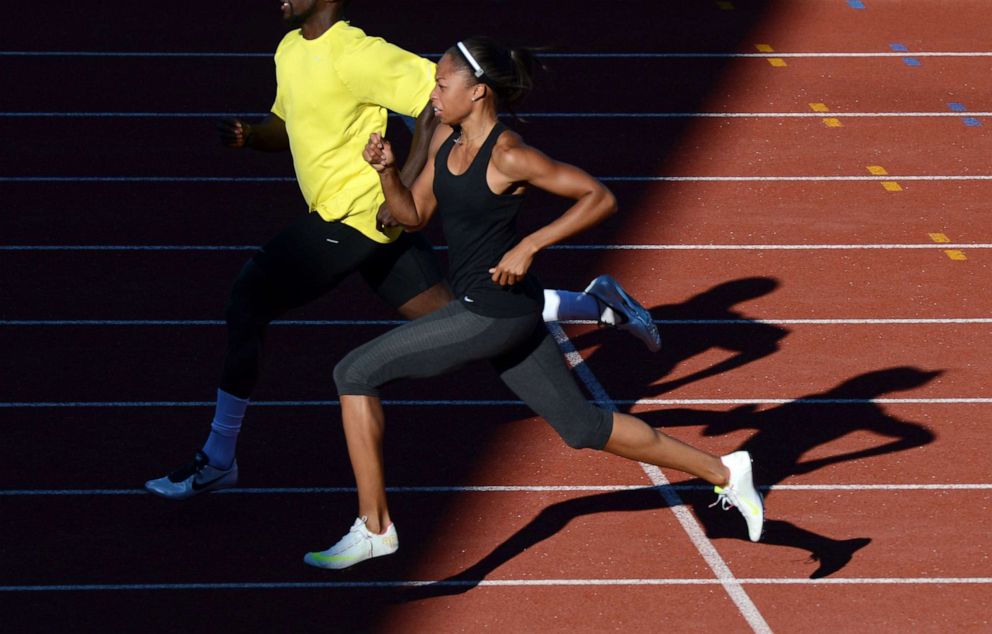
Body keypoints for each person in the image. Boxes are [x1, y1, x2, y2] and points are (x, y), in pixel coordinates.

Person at [145, 0, 659, 500]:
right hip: (361, 219)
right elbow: (285, 126)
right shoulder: (289, 49)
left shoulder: (359, 53)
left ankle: (218, 458)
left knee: (248, 300)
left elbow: (431, 105)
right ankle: (597, 305)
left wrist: (409, 182)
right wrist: (251, 135)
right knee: (459, 316)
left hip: (355, 217)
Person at [303, 36, 763, 570]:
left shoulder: (509, 155)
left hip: (490, 314)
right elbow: (413, 215)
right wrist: (385, 170)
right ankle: (726, 470)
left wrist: (530, 244)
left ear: (476, 92)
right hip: (508, 313)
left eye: (441, 84)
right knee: (583, 429)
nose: (432, 94)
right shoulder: (447, 144)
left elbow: (600, 197)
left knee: (354, 372)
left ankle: (376, 527)